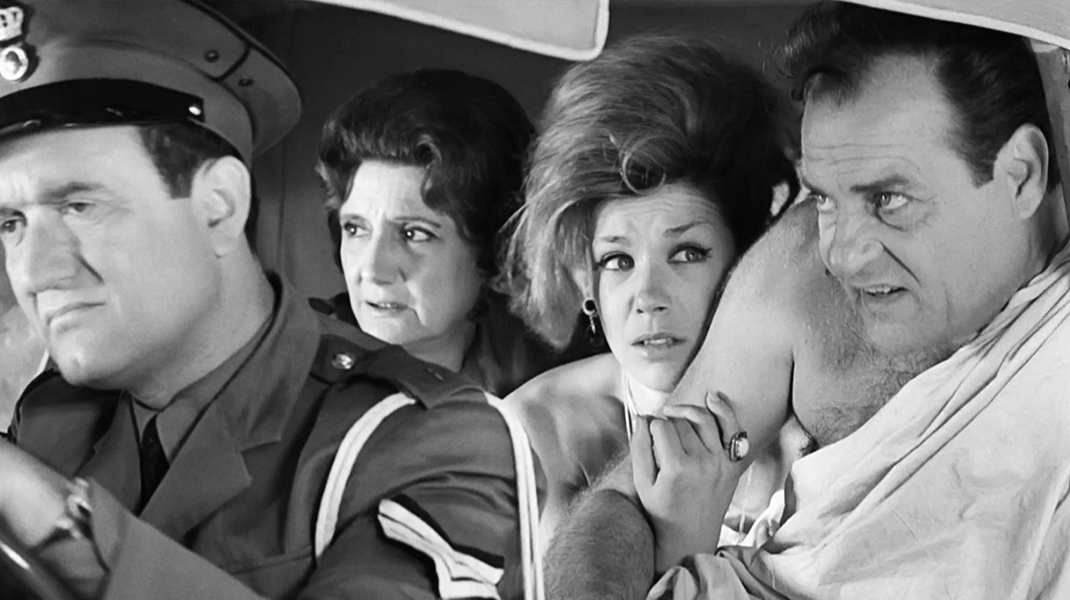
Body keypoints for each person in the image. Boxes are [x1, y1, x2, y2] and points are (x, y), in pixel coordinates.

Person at [0, 1, 536, 598]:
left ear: (219, 207)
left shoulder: (429, 436)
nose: (33, 271)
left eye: (81, 207)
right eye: (10, 222)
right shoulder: (50, 413)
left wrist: (58, 522)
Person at [545, 2, 1070, 599]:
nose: (842, 254)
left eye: (888, 201)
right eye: (824, 199)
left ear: (1021, 175)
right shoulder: (801, 266)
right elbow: (631, 498)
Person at [501, 34, 799, 550]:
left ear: (747, 261)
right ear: (586, 281)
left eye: (686, 254)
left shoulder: (816, 419)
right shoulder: (537, 430)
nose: (648, 296)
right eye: (618, 261)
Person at [314, 69, 557, 398]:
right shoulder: (290, 368)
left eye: (414, 234)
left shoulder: (553, 393)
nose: (372, 270)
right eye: (355, 229)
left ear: (496, 253)